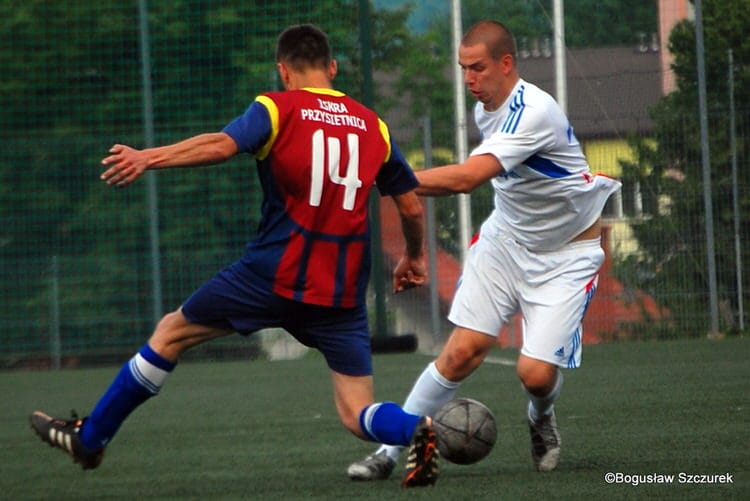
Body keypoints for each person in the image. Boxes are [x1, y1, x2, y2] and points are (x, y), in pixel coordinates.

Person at [30, 24, 439, 488]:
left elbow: (221, 145)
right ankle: (414, 428)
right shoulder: (374, 125)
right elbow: (409, 204)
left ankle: (92, 438)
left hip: (271, 276)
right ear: (333, 68)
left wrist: (148, 157)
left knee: (170, 333)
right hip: (340, 292)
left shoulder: (276, 107)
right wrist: (415, 257)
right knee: (355, 411)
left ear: (283, 71)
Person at [347, 20, 621, 480]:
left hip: (565, 258)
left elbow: (467, 179)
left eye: (478, 68)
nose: (469, 80)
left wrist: (385, 178)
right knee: (459, 353)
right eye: (463, 69)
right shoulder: (486, 109)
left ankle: (540, 418)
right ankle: (388, 453)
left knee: (534, 374)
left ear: (506, 63)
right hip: (505, 243)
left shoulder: (534, 111)